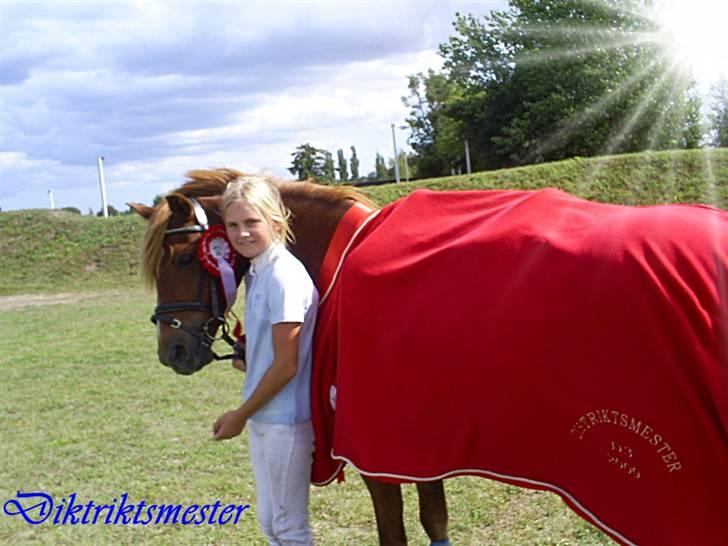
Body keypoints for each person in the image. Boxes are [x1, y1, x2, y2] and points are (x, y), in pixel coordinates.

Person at [213, 175, 318, 545]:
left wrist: (239, 415)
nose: (242, 234)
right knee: (272, 523)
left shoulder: (283, 276)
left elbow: (287, 365)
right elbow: (276, 353)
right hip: (264, 414)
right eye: (233, 225)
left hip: (285, 419)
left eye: (252, 222)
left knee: (289, 527)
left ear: (276, 221)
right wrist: (249, 361)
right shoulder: (258, 270)